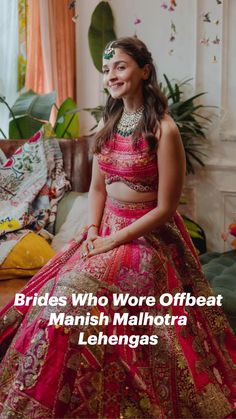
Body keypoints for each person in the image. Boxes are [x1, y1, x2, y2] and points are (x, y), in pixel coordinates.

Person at [0, 37, 235, 419]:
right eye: (107, 69)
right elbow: (97, 189)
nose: (112, 75)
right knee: (50, 295)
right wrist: (93, 232)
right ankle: (45, 399)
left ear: (144, 70)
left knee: (77, 294)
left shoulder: (163, 130)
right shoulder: (106, 127)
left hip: (147, 238)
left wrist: (114, 240)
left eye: (121, 66)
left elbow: (165, 208)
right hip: (103, 231)